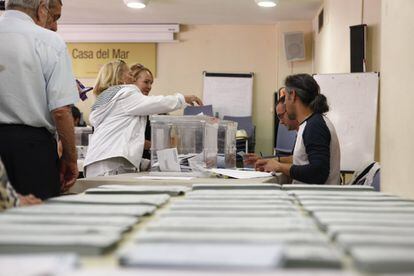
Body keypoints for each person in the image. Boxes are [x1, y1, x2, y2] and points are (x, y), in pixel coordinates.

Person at [0, 0, 79, 199]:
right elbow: (61, 110)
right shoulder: (49, 41)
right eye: (54, 17)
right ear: (42, 7)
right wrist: (70, 159)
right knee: (36, 221)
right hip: (31, 150)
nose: (54, 26)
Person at [84, 60, 203, 177]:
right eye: (130, 74)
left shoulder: (107, 101)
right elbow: (159, 103)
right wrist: (182, 99)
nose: (132, 79)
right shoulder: (124, 94)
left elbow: (121, 138)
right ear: (119, 78)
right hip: (111, 166)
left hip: (98, 163)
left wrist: (145, 163)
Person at [256, 74, 340, 184]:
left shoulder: (315, 126)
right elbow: (304, 161)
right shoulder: (310, 123)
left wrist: (279, 166)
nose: (285, 103)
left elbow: (318, 173)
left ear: (293, 95)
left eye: (285, 97)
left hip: (315, 199)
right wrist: (274, 162)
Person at [244, 93, 299, 166]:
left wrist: (278, 166)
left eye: (281, 116)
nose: (281, 122)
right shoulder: (299, 132)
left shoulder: (308, 130)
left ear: (291, 110)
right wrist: (263, 159)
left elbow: (301, 164)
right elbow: (295, 159)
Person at [130, 63, 155, 162]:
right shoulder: (127, 104)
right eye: (146, 82)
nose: (149, 87)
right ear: (133, 81)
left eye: (151, 83)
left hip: (143, 162)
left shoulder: (145, 107)